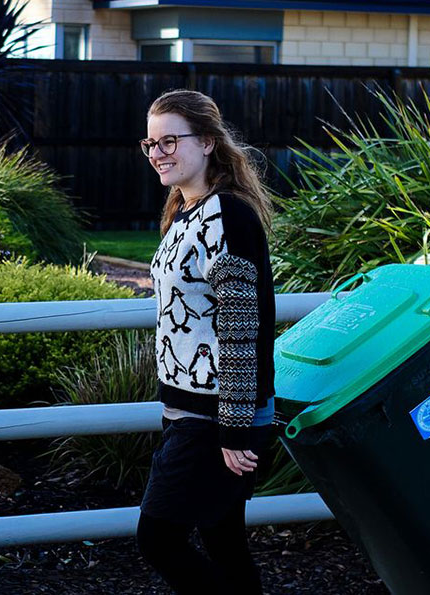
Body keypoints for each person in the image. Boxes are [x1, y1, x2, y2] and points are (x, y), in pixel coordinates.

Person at [136, 89, 277, 595]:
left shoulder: (227, 216)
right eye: (151, 143)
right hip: (192, 409)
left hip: (218, 414)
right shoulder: (184, 213)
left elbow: (242, 325)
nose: (158, 153)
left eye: (170, 140)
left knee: (158, 539)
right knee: (224, 541)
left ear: (209, 143)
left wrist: (235, 428)